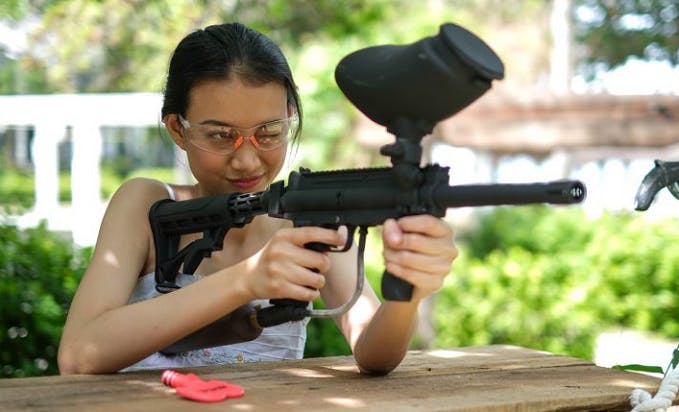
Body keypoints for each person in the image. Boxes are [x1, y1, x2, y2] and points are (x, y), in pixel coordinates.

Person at [57, 22, 458, 375]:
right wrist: (246, 280)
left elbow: (373, 353)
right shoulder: (145, 204)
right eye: (221, 135)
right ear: (178, 129)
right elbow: (78, 355)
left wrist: (408, 290)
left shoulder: (309, 216)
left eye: (268, 133)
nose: (247, 160)